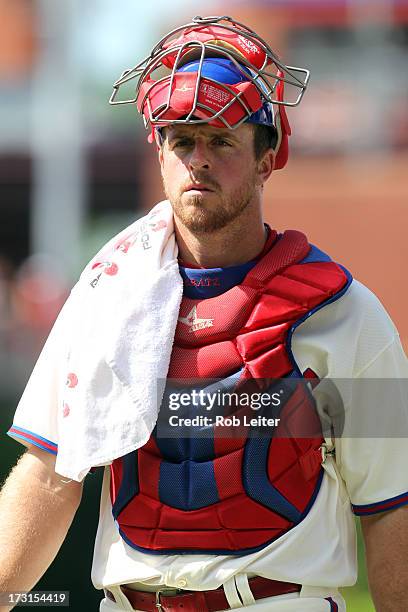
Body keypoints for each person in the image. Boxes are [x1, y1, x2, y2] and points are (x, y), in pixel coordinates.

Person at [1, 15, 408, 612]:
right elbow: (49, 475)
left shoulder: (345, 314)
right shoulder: (104, 297)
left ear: (267, 159)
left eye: (222, 140)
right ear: (160, 152)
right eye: (181, 140)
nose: (198, 160)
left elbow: (391, 507)